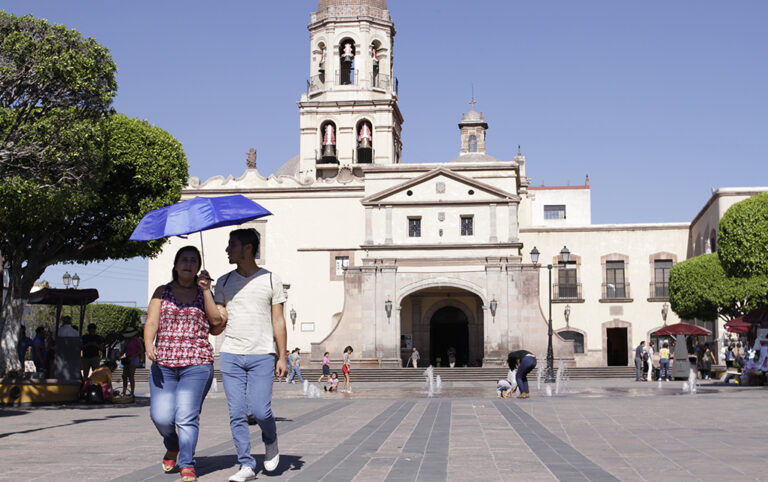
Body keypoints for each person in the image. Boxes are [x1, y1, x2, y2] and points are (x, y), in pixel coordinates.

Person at [214, 228, 288, 482]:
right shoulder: (223, 282)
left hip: (262, 354)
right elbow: (218, 323)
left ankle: (270, 439)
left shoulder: (271, 280)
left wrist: (282, 356)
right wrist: (205, 292)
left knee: (260, 411)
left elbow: (278, 320)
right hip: (231, 354)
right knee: (236, 413)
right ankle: (246, 464)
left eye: (232, 245)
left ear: (247, 248)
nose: (227, 250)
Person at [144, 245, 223, 482]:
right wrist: (148, 344)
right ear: (176, 265)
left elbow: (216, 322)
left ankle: (187, 463)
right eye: (184, 260)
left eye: (193, 261)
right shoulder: (162, 291)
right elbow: (151, 322)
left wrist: (206, 291)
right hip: (164, 364)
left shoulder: (204, 292)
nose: (188, 264)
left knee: (187, 416)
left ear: (198, 267)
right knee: (161, 417)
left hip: (196, 363)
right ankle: (173, 444)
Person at [119, 326, 143, 397]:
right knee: (124, 376)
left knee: (131, 375)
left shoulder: (136, 340)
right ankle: (124, 391)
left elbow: (141, 350)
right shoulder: (127, 340)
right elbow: (124, 349)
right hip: (127, 358)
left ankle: (132, 392)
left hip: (134, 358)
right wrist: (120, 355)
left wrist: (133, 356)